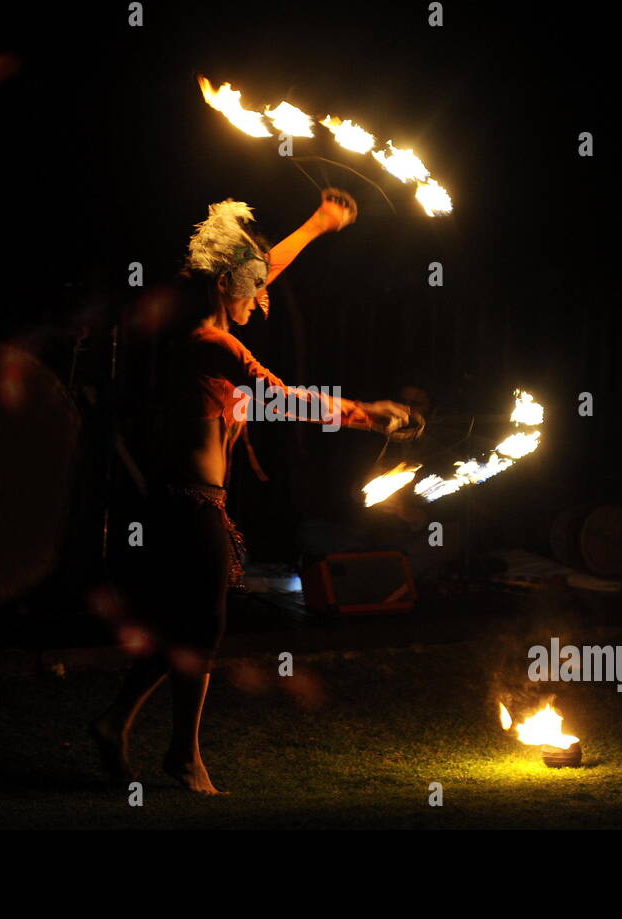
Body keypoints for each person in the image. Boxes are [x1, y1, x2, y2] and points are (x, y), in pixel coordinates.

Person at [89, 189, 416, 794]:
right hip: (189, 505)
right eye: (253, 283)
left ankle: (115, 723)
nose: (262, 293)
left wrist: (317, 224)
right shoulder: (213, 344)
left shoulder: (211, 326)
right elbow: (287, 399)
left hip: (186, 502)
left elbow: (262, 269)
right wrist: (367, 413)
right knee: (202, 628)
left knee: (179, 626)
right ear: (224, 285)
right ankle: (183, 757)